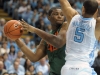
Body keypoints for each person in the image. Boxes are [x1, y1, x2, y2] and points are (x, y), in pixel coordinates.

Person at [15, 7, 67, 75]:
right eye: (56, 14)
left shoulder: (67, 25)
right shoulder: (47, 37)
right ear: (49, 17)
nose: (59, 16)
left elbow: (58, 42)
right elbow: (34, 57)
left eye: (62, 14)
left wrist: (34, 30)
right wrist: (16, 39)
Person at [58, 0, 100, 75]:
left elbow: (63, 2)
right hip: (84, 68)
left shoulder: (72, 16)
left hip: (67, 68)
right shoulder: (96, 24)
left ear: (83, 8)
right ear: (96, 11)